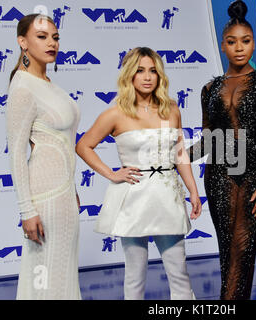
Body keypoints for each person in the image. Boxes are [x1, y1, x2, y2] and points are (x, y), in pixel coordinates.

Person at [76, 47, 201, 300]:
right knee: (135, 274)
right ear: (129, 75)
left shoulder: (172, 109)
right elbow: (83, 146)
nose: (147, 77)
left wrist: (193, 190)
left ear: (160, 76)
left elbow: (180, 153)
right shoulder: (115, 113)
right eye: (140, 71)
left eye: (153, 71)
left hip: (168, 196)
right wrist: (112, 174)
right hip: (133, 198)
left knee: (179, 272)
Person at [190, 0, 256, 300]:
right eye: (232, 42)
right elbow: (208, 139)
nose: (239, 48)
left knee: (242, 249)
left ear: (254, 43)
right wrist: (177, 155)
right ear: (222, 46)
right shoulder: (210, 89)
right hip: (219, 178)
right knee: (228, 254)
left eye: (245, 41)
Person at [6, 14, 81, 299]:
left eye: (55, 37)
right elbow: (16, 154)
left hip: (65, 196)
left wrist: (72, 189)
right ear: (22, 42)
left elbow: (61, 142)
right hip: (43, 198)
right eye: (42, 37)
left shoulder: (49, 84)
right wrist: (27, 210)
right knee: (44, 275)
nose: (51, 43)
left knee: (62, 274)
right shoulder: (23, 86)